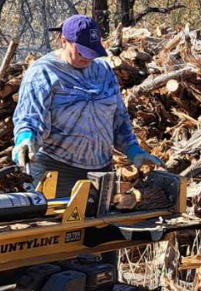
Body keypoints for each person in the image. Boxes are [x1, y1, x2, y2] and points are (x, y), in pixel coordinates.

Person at [12, 15, 162, 192]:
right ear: (64, 41)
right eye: (82, 52)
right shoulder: (43, 72)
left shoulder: (103, 70)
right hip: (56, 172)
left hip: (101, 171)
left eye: (93, 52)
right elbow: (30, 119)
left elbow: (118, 118)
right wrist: (25, 141)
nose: (88, 58)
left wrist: (134, 150)